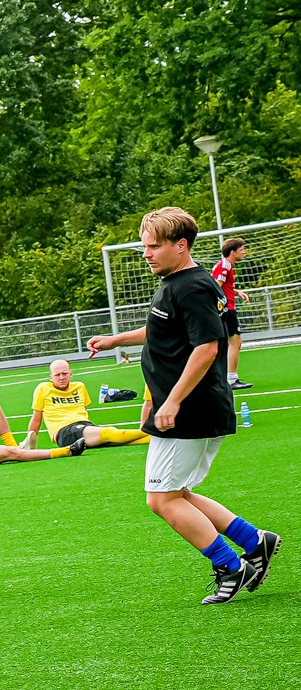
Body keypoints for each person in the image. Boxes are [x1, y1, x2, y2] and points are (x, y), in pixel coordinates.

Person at [87, 207, 280, 604]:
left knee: (162, 500)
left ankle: (231, 567)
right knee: (178, 494)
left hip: (189, 411)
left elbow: (207, 346)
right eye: (144, 246)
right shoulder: (177, 282)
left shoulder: (191, 287)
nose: (146, 254)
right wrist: (116, 340)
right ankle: (254, 541)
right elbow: (164, 329)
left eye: (154, 246)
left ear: (181, 245)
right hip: (192, 408)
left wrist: (172, 401)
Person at [22, 359, 148, 456]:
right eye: (57, 375)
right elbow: (36, 418)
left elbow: (84, 411)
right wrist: (30, 439)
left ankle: (155, 437)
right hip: (64, 432)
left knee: (120, 440)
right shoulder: (43, 388)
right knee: (110, 433)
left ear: (71, 374)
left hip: (84, 425)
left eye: (64, 373)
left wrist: (89, 427)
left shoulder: (80, 386)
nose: (61, 377)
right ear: (51, 377)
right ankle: (151, 431)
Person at [214, 235, 252, 390]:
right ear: (232, 252)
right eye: (241, 249)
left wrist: (236, 292)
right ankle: (231, 379)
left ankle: (226, 378)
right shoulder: (224, 266)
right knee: (235, 342)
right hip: (226, 309)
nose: (244, 252)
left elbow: (222, 286)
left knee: (226, 343)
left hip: (226, 308)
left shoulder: (227, 265)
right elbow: (215, 287)